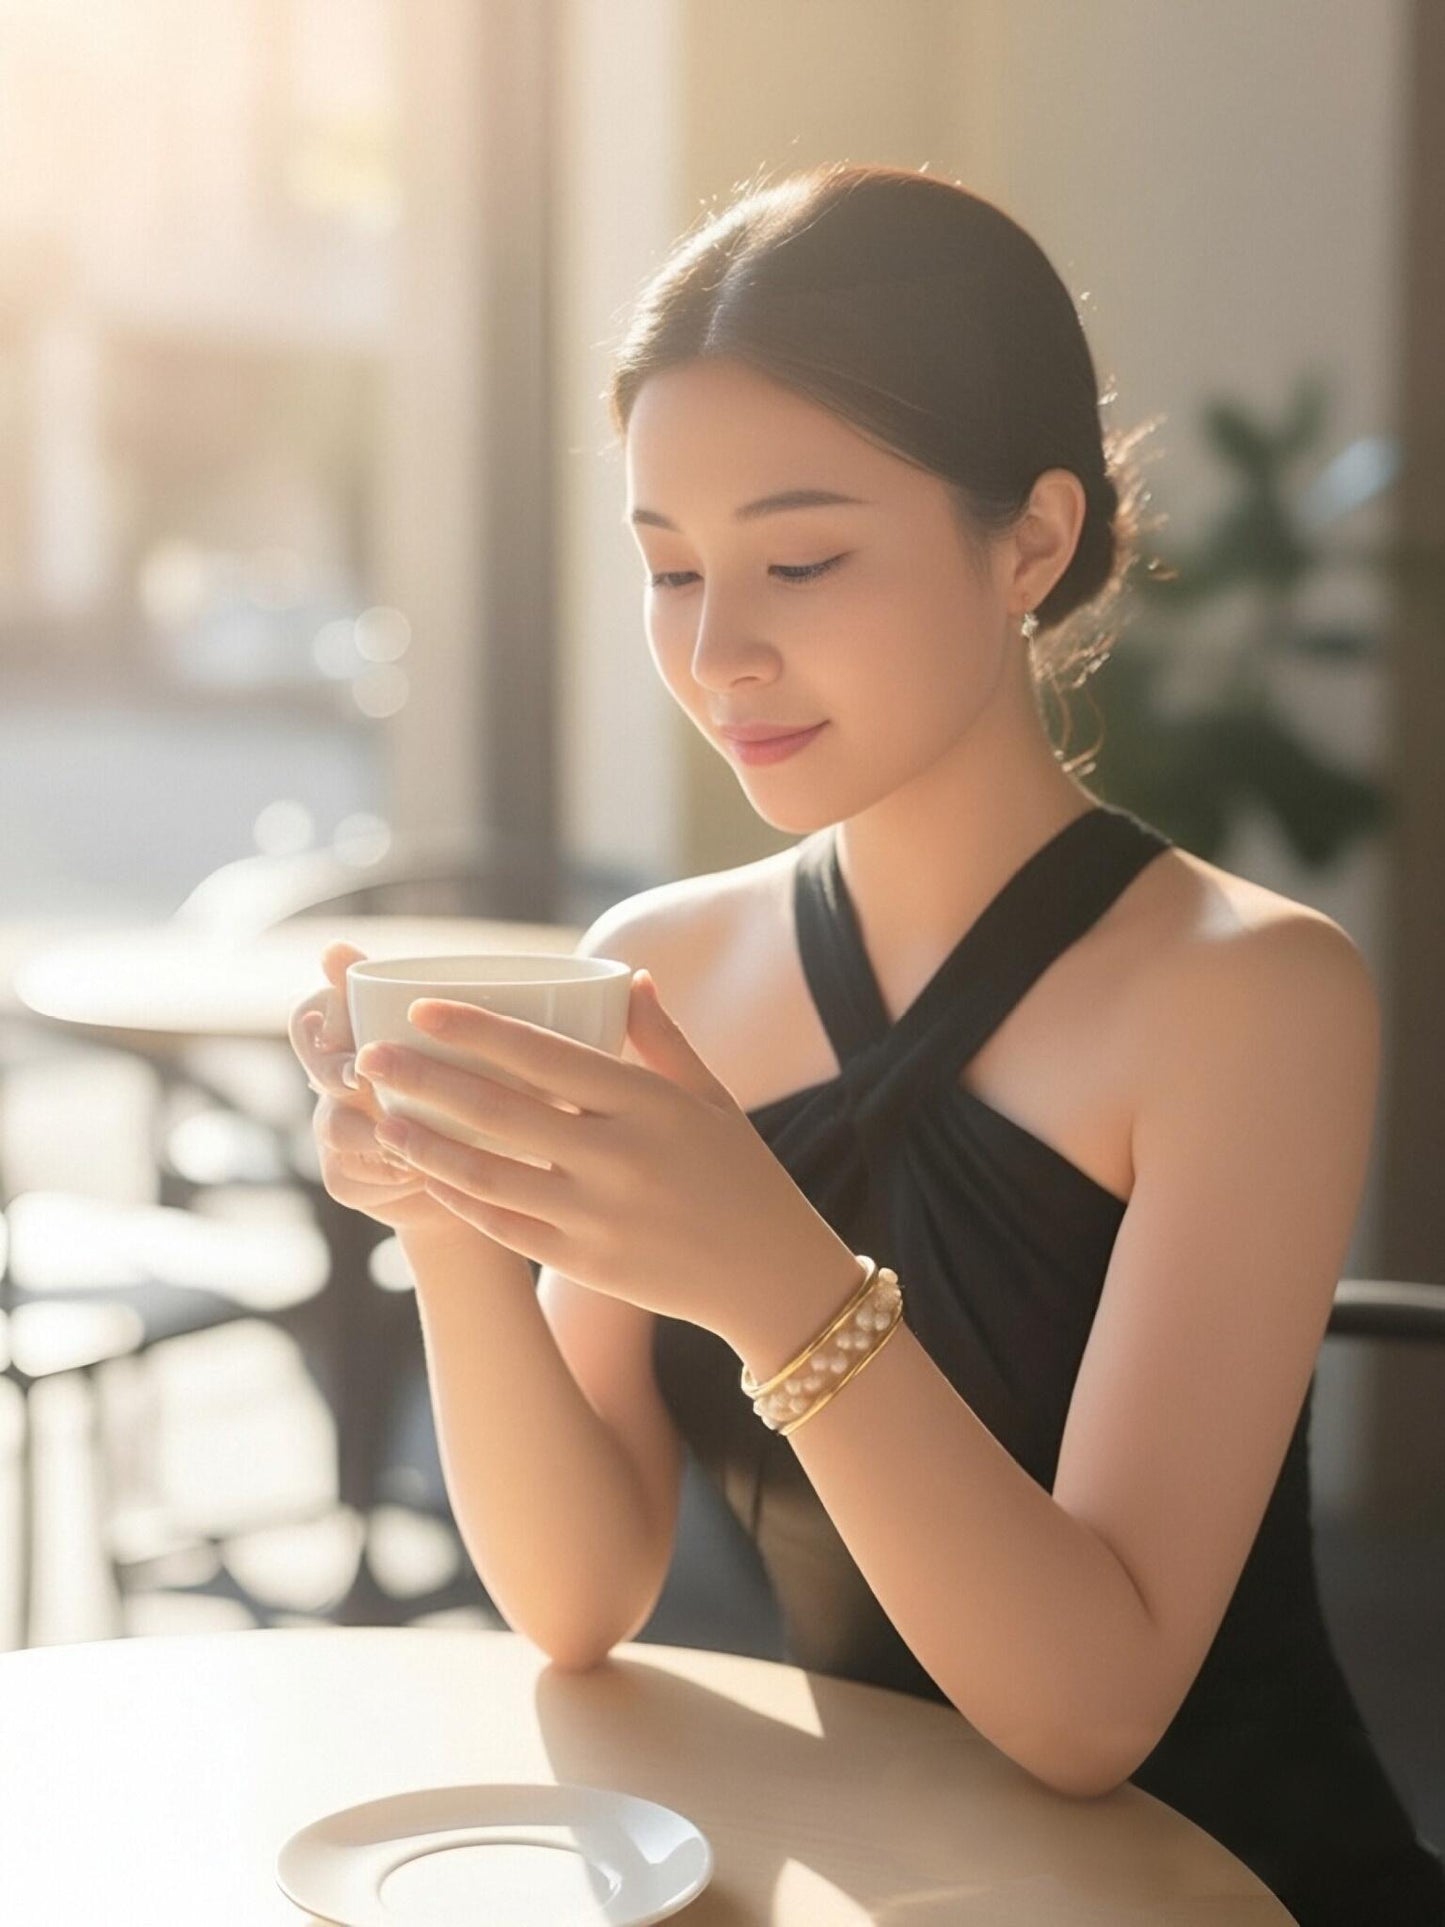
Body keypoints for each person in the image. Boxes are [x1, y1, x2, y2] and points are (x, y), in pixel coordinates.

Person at [289, 163, 1445, 1924]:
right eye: (669, 568)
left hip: (1216, 1881)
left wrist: (776, 1280)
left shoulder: (1250, 993)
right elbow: (578, 1595)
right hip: (878, 1872)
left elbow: (1091, 1713)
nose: (718, 649)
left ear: (1032, 544)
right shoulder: (654, 964)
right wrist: (450, 1228)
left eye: (801, 559)